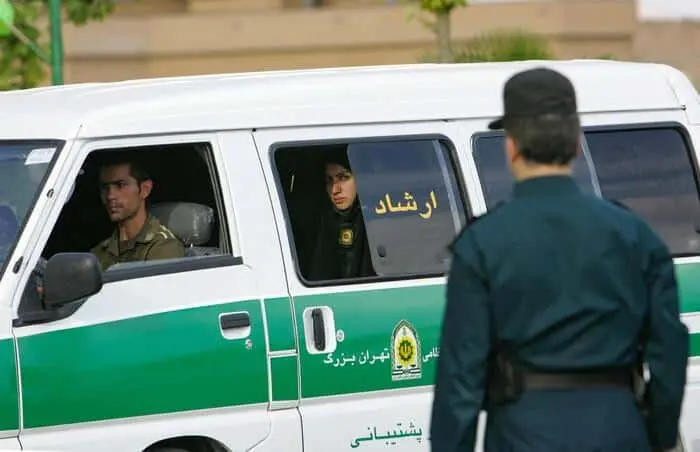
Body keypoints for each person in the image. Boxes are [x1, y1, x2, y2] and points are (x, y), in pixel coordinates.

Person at [429, 67, 689, 452]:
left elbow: (459, 381)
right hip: (620, 432)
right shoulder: (635, 236)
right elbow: (669, 348)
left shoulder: (482, 245)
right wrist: (659, 433)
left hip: (522, 436)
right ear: (577, 143)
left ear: (511, 147)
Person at [90, 153, 185, 271]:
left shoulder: (163, 247)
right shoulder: (101, 251)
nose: (110, 196)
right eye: (105, 187)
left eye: (120, 185)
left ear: (145, 189)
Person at [307, 148, 375, 281]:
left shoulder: (377, 219)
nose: (335, 190)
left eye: (343, 178)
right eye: (329, 180)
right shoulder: (326, 220)